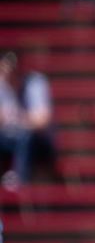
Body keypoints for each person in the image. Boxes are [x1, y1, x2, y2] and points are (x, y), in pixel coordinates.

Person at [0, 51, 55, 189]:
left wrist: (17, 119)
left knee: (25, 136)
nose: (9, 75)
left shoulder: (35, 82)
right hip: (8, 140)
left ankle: (19, 184)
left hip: (38, 142)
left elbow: (43, 121)